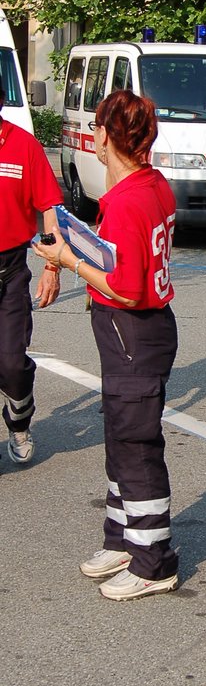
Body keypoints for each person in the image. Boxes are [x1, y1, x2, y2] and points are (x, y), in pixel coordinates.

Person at [34, 90, 179, 601]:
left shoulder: (128, 199)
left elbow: (128, 286)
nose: (91, 135)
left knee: (136, 444)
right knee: (121, 436)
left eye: (96, 126)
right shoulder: (150, 183)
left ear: (109, 135)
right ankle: (123, 538)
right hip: (143, 332)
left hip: (134, 331)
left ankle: (153, 560)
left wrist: (70, 262)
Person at [0, 87, 62, 465]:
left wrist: (52, 267)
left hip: (8, 271)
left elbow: (49, 209)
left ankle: (19, 420)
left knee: (10, 362)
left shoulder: (24, 146)